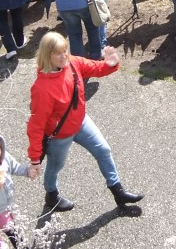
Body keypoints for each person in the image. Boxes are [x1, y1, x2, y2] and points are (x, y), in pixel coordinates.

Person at [27, 31, 143, 212]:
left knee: (103, 149)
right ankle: (51, 195)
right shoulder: (42, 89)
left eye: (65, 50)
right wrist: (35, 158)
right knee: (55, 167)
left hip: (80, 122)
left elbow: (96, 68)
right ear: (47, 55)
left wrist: (110, 64)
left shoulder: (72, 62)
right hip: (60, 136)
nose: (64, 55)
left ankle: (118, 191)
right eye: (59, 53)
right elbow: (36, 125)